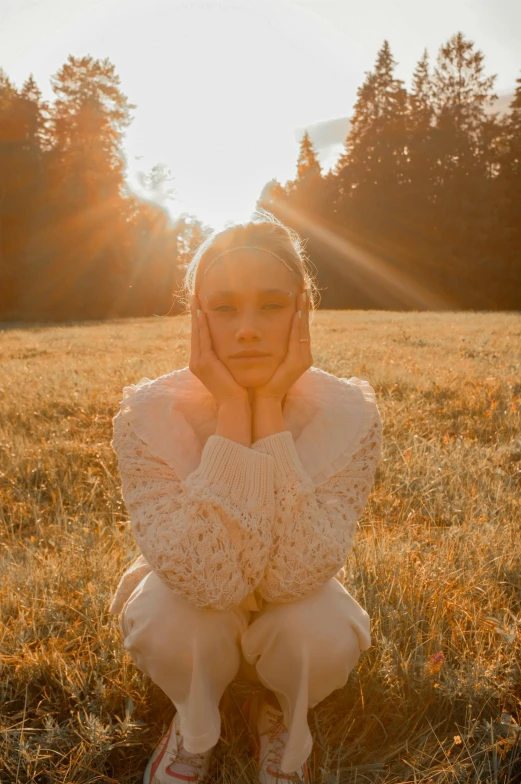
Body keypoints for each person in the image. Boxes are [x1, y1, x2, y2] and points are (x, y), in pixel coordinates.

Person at [109, 210, 383, 784]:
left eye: (272, 305)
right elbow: (205, 581)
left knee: (324, 632)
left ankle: (281, 711)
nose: (248, 329)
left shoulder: (349, 414)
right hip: (191, 586)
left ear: (302, 309)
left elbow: (293, 577)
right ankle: (194, 723)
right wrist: (235, 413)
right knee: (169, 620)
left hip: (294, 586)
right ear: (198, 317)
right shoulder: (149, 416)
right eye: (225, 307)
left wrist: (272, 411)